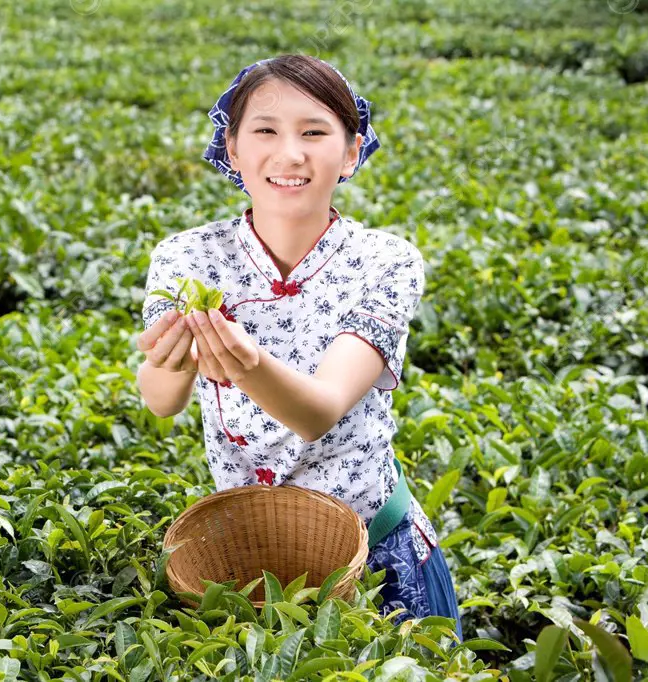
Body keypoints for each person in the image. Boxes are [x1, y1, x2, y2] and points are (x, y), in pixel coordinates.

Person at [135, 54, 463, 642]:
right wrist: (170, 356)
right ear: (232, 149)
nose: (290, 154)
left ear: (352, 151)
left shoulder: (385, 262)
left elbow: (318, 411)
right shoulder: (187, 258)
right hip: (248, 562)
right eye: (265, 131)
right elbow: (161, 400)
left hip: (375, 551)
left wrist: (247, 361)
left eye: (315, 133)